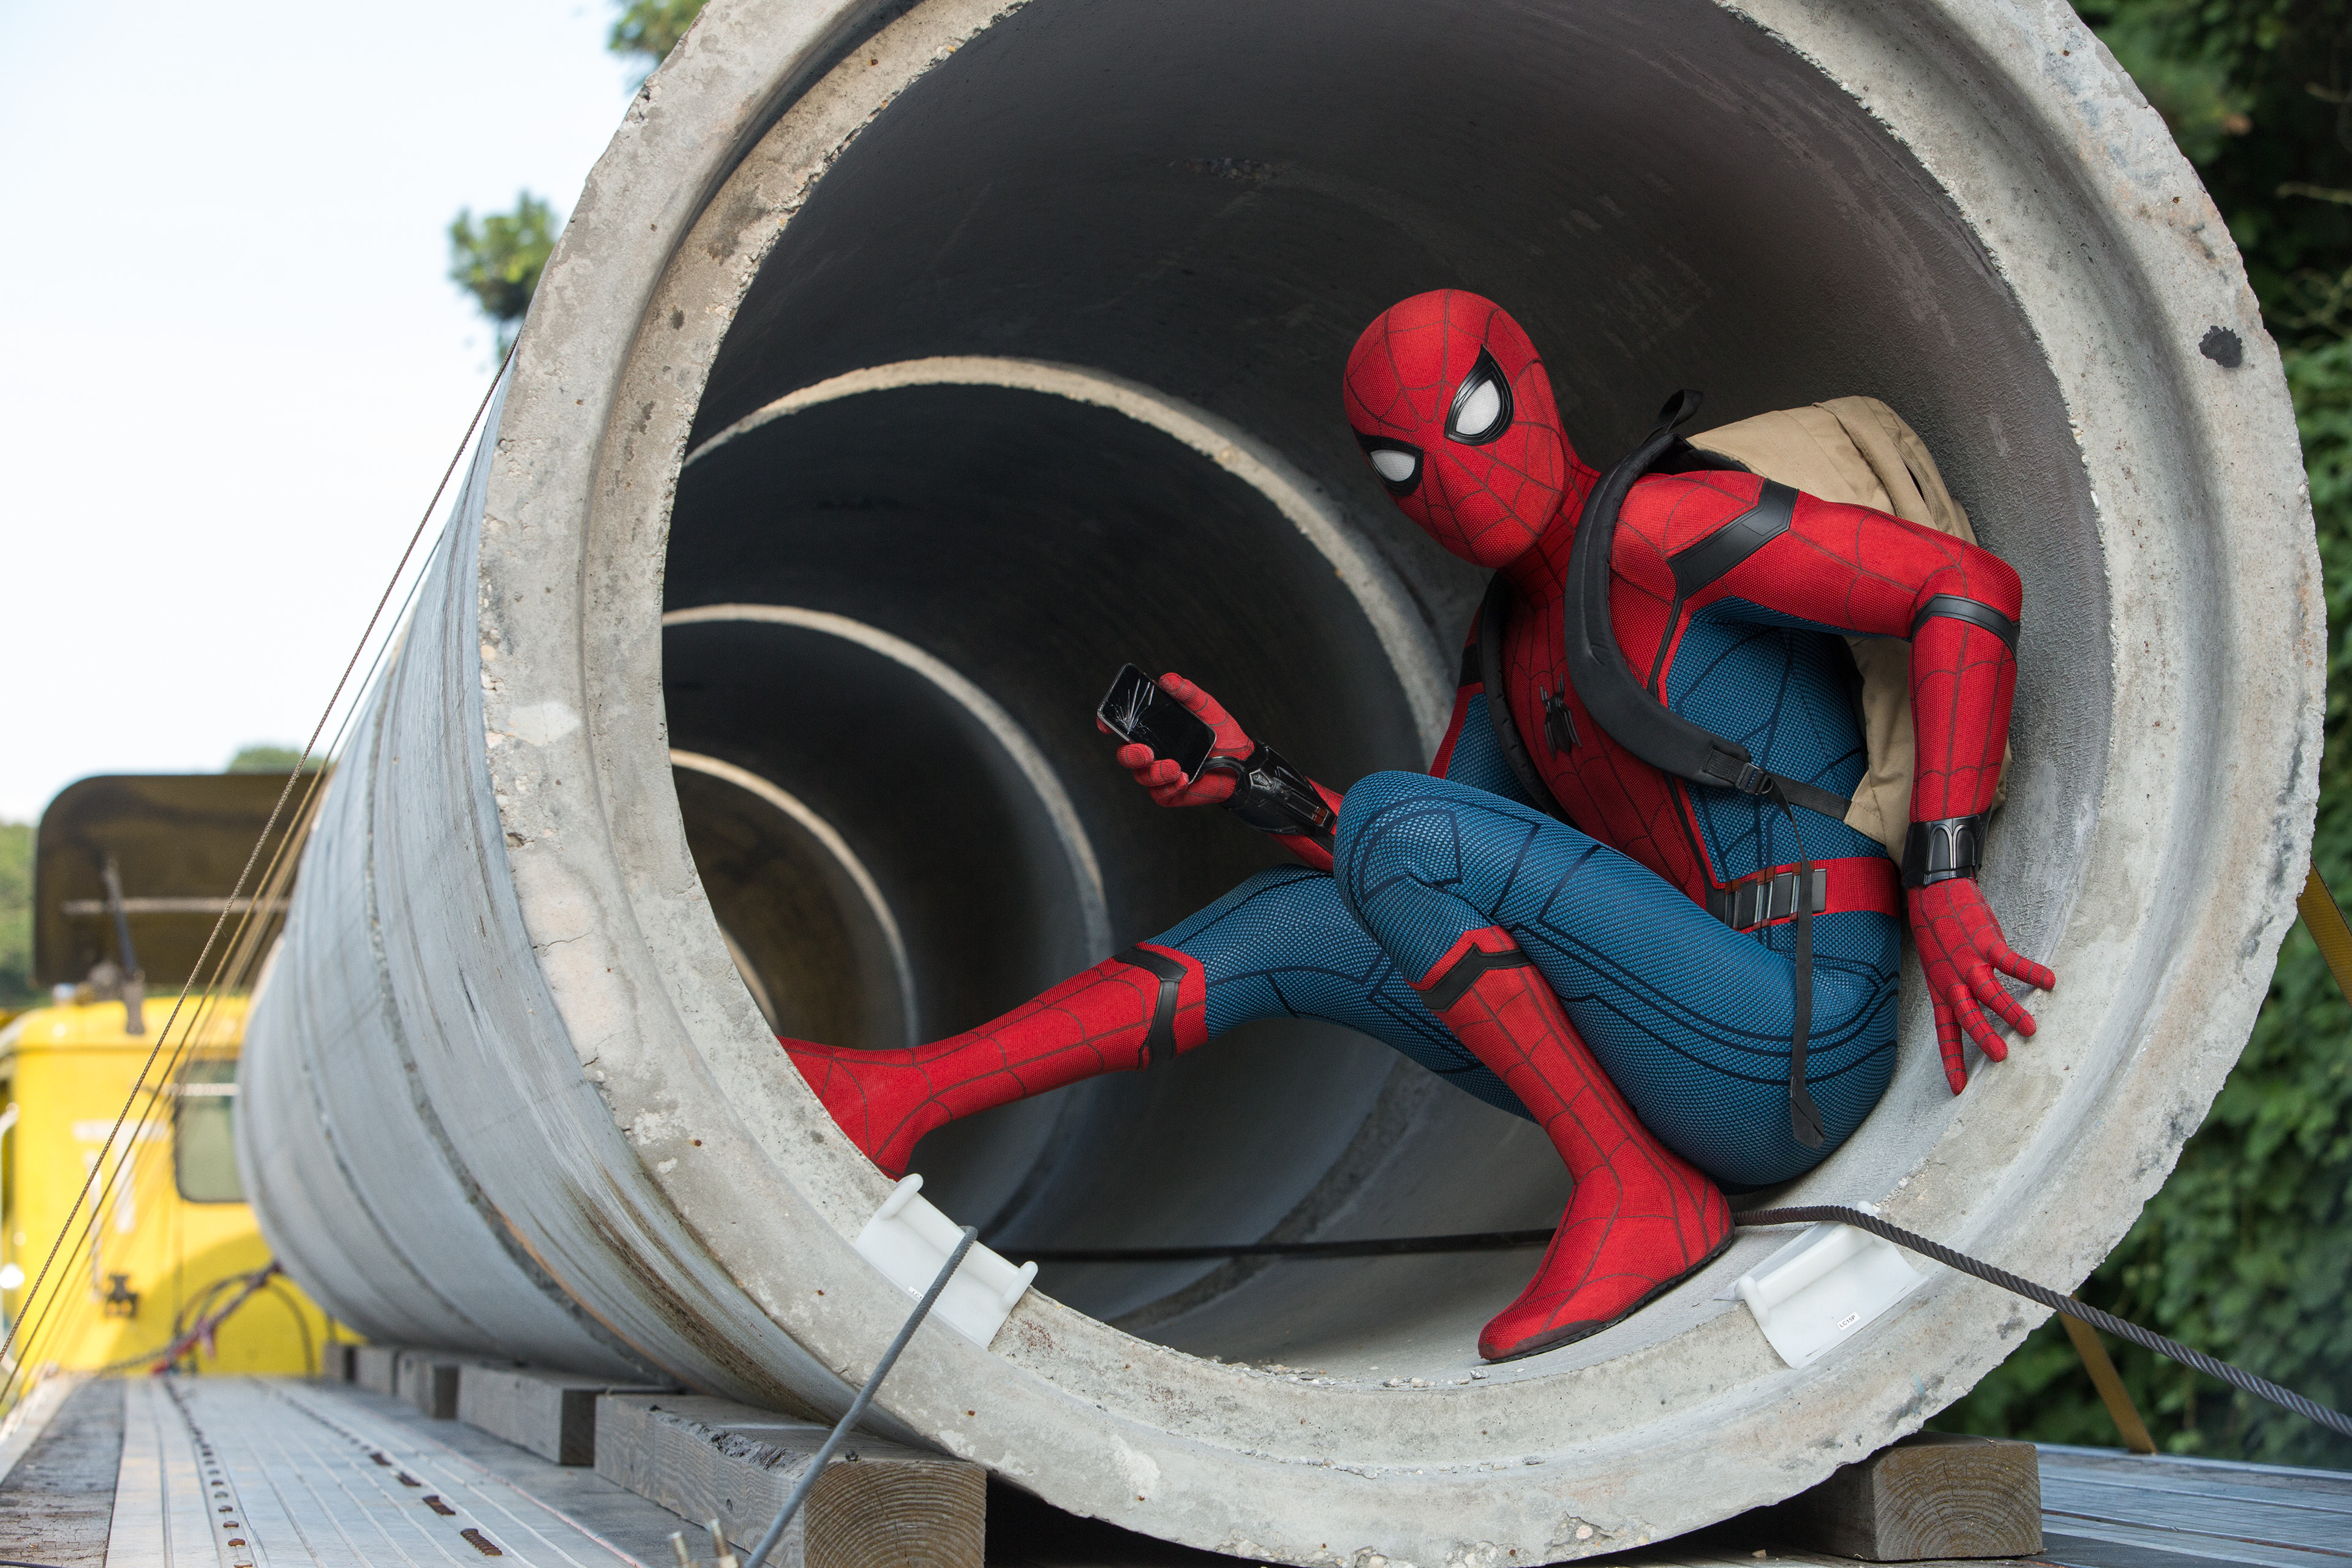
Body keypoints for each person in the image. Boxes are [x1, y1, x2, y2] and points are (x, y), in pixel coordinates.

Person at [782, 290, 2055, 1362]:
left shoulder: (1671, 528)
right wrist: (1257, 784)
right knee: (1302, 915)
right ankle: (907, 1090)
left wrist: (1943, 871)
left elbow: (1962, 591)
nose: (1448, 478)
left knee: (1397, 821)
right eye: (1402, 464)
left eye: (1472, 419)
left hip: (1795, 1028)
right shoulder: (1509, 644)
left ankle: (1637, 1186)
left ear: (1536, 390)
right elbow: (1419, 866)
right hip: (1681, 1038)